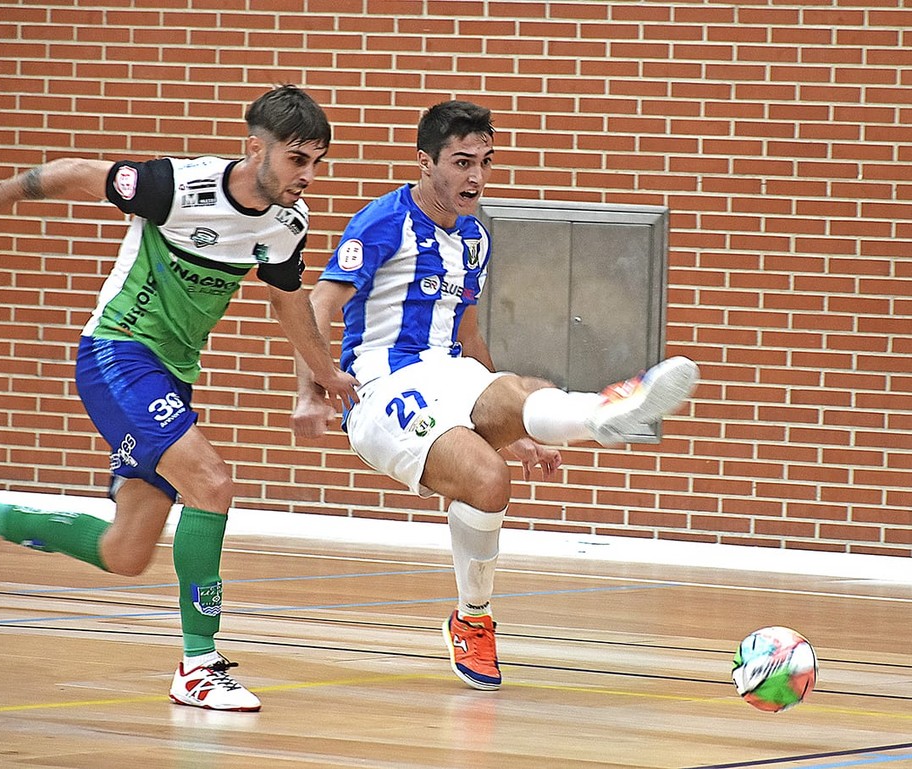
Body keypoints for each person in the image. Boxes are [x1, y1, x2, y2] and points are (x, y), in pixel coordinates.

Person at [0, 84, 359, 712]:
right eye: (298, 159)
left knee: (126, 552)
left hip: (171, 375)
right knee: (212, 483)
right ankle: (199, 663)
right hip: (116, 353)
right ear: (256, 149)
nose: (310, 175)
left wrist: (326, 374)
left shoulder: (286, 224)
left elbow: (290, 304)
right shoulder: (177, 186)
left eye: (318, 162)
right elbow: (81, 174)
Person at [292, 100, 699, 692]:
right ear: (425, 163)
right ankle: (474, 619)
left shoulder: (476, 238)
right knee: (490, 480)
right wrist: (311, 390)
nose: (476, 176)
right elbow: (315, 306)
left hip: (449, 371)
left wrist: (520, 428)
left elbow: (470, 335)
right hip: (383, 388)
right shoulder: (383, 222)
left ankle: (608, 412)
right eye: (461, 162)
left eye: (485, 161)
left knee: (523, 391)